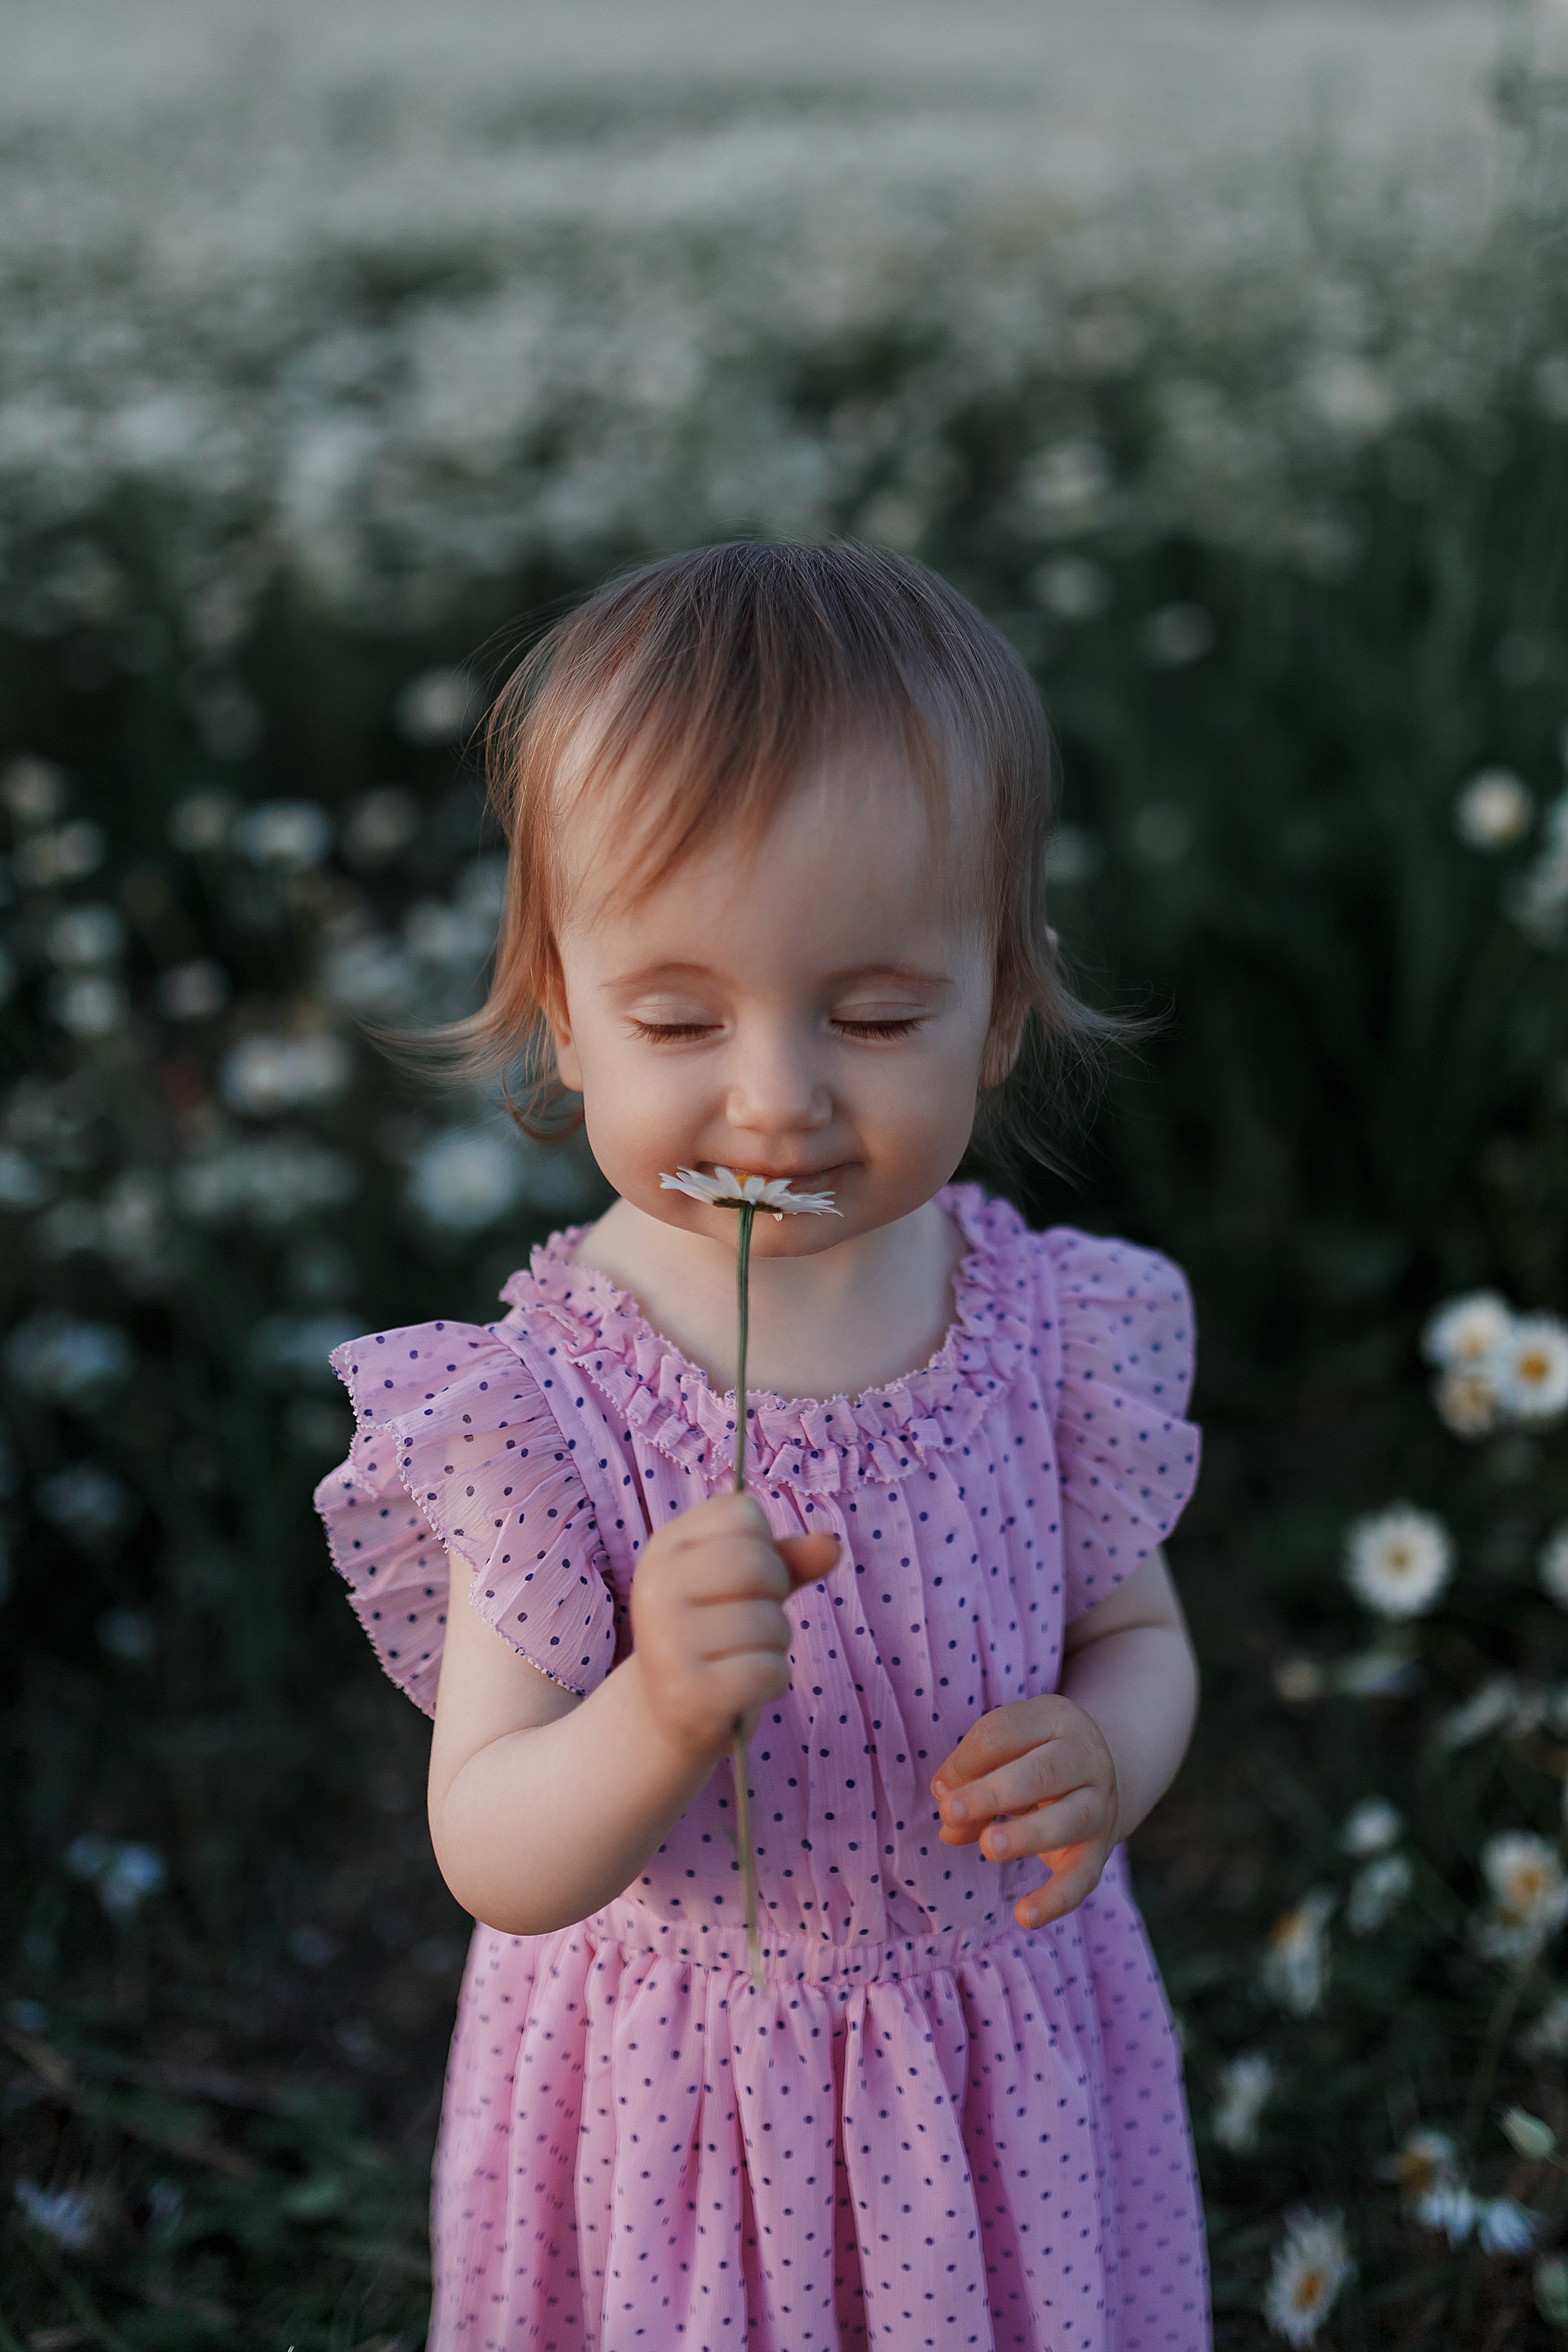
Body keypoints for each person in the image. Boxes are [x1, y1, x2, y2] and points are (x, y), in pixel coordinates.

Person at [316, 542, 1208, 2350]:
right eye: (676, 1017)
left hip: (989, 2078)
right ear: (566, 1013)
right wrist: (649, 1718)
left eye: (877, 1016)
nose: (779, 1092)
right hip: (683, 2111)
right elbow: (493, 1844)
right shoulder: (546, 1406)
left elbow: (1143, 1637)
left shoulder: (1047, 1331)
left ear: (1001, 1008)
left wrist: (1104, 1754)